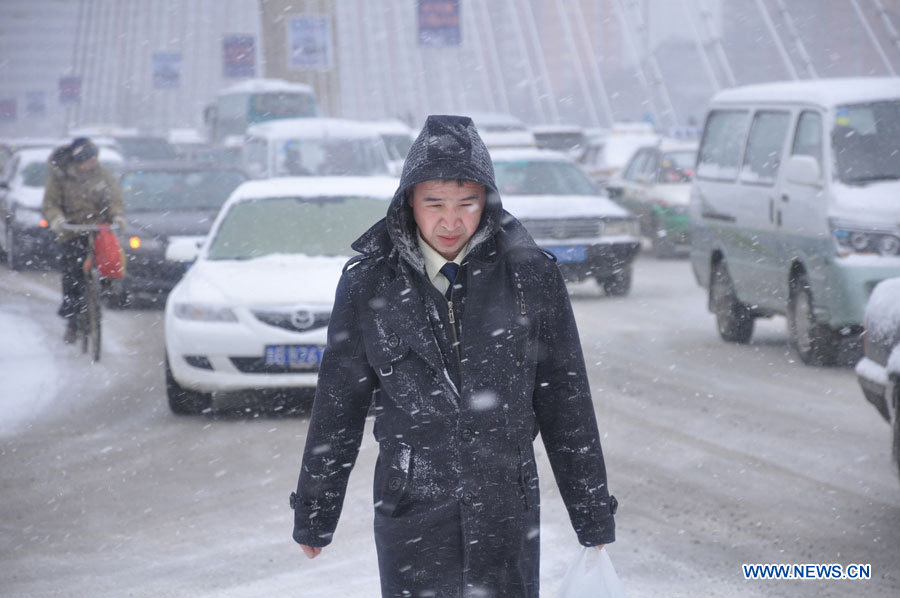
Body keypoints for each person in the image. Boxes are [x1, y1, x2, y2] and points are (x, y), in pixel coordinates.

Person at [290, 115, 617, 597]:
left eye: (467, 203)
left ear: (486, 201)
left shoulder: (530, 277)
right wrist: (316, 511)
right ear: (409, 204)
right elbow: (340, 403)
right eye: (434, 204)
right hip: (411, 507)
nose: (451, 221)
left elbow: (566, 400)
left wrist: (590, 515)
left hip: (506, 506)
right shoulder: (370, 282)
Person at [42, 137, 125, 343]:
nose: (93, 164)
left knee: (111, 259)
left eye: (95, 159)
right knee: (72, 274)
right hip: (72, 230)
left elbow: (115, 200)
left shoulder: (104, 176)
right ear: (78, 161)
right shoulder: (60, 177)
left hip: (99, 230)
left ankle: (104, 289)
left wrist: (116, 215)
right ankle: (72, 320)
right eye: (89, 160)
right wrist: (57, 219)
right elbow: (51, 203)